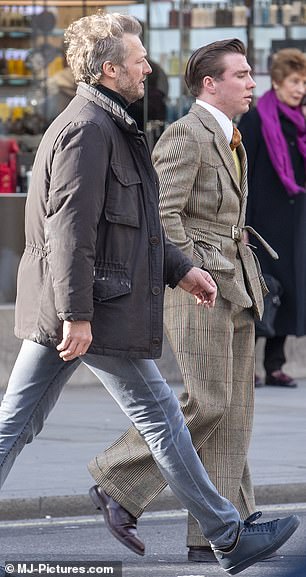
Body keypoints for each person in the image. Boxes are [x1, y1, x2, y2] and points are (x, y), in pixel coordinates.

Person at [0, 15, 299, 575]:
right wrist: (77, 315)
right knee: (164, 413)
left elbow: (136, 223)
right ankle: (226, 534)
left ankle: (226, 529)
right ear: (110, 69)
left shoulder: (107, 123)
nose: (148, 68)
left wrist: (182, 269)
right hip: (90, 307)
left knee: (16, 423)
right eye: (138, 59)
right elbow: (72, 232)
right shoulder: (89, 129)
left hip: (77, 304)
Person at [86, 37, 292, 563]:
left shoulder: (230, 136)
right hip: (197, 287)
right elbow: (161, 216)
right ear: (210, 84)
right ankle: (115, 481)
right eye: (242, 75)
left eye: (251, 74)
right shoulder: (186, 134)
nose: (253, 84)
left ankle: (219, 533)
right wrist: (192, 269)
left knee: (236, 413)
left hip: (237, 285)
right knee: (208, 402)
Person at [239, 48, 306, 388]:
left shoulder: (302, 120)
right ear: (278, 82)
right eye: (295, 81)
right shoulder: (255, 118)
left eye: (304, 83)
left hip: (295, 219)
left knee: (292, 290)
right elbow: (243, 171)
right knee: (260, 290)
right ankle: (247, 365)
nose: (300, 89)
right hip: (263, 221)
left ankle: (276, 364)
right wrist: (243, 223)